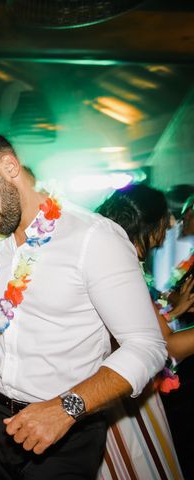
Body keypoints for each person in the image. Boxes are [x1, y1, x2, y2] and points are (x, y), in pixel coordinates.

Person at [0, 129, 166, 479]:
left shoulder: (94, 238)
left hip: (63, 433)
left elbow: (147, 346)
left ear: (9, 167)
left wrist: (65, 409)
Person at [96, 184, 188, 479]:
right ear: (149, 224)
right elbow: (167, 347)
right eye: (167, 218)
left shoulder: (113, 258)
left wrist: (173, 312)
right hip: (122, 396)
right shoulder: (124, 268)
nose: (172, 224)